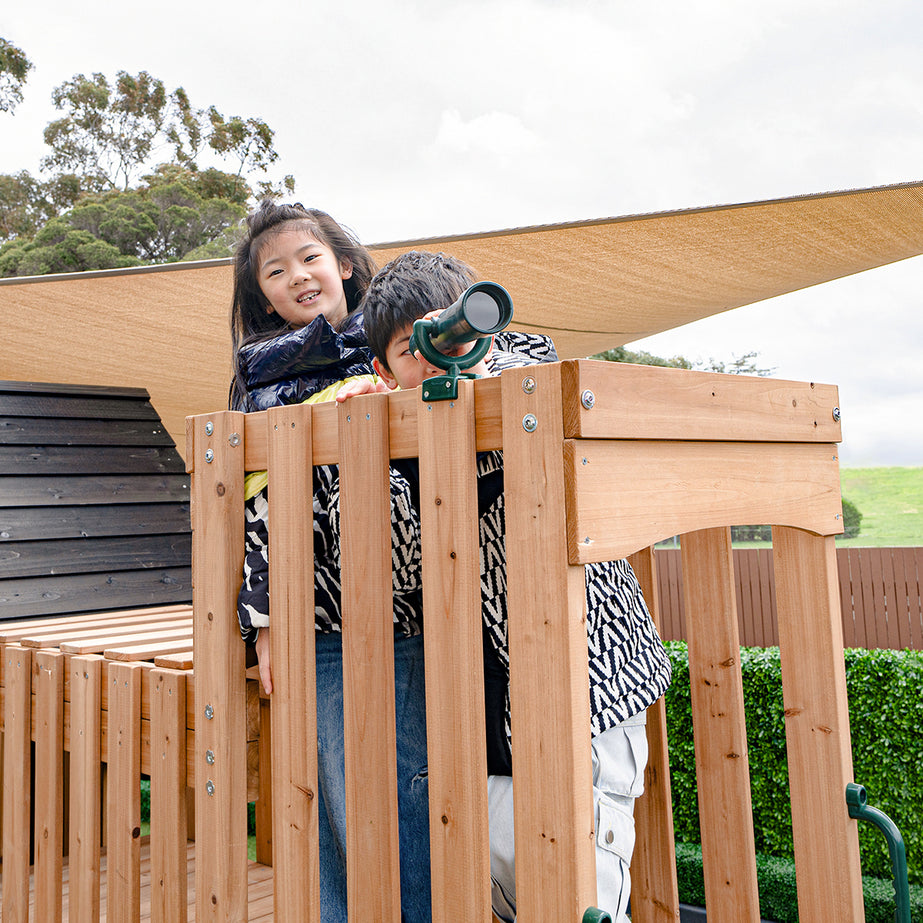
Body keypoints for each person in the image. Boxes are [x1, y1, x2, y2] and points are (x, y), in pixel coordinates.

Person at [350, 250, 673, 923]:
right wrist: (381, 443)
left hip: (588, 689)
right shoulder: (391, 440)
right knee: (500, 872)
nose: (438, 357)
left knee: (582, 873)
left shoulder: (534, 384)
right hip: (486, 708)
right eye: (413, 349)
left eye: (449, 333)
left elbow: (543, 382)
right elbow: (403, 570)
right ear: (383, 371)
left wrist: (484, 366)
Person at [230, 200, 431, 923]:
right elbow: (251, 515)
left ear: (343, 263)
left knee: (411, 785)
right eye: (276, 272)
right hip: (316, 616)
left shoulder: (401, 346)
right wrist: (264, 626)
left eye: (308, 258)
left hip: (410, 606)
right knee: (331, 795)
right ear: (264, 296)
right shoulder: (261, 382)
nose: (297, 276)